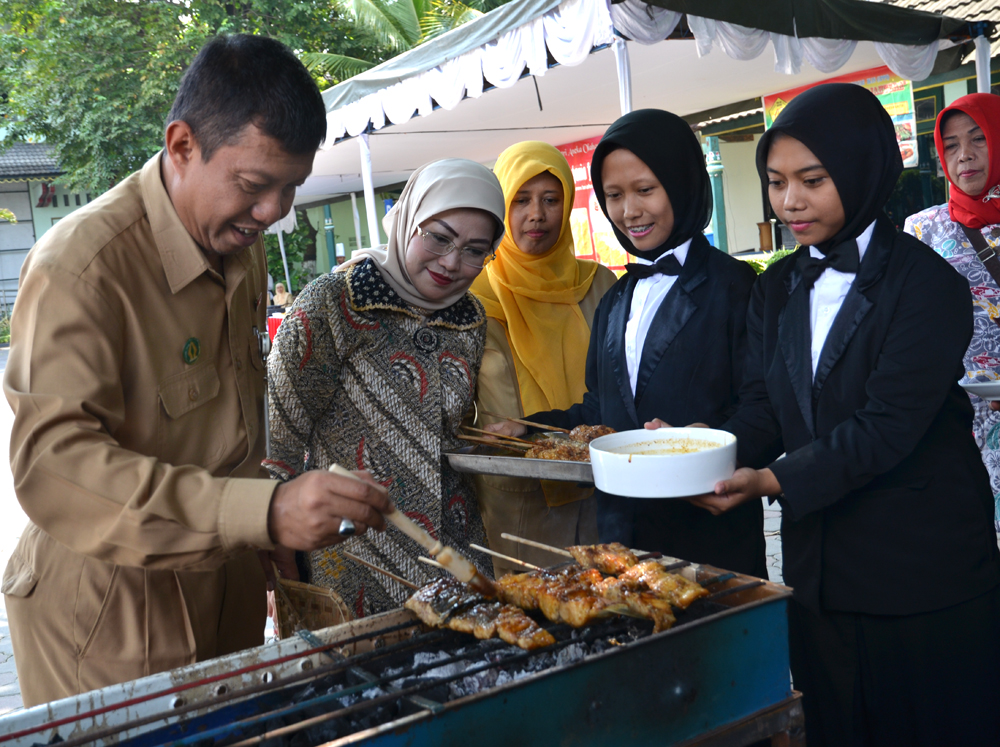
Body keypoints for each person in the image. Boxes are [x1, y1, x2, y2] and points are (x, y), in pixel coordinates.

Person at [1, 34, 392, 707]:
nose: (272, 213)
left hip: (226, 586)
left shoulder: (241, 249)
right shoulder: (83, 267)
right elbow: (56, 469)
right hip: (106, 620)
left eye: (290, 188)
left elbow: (232, 423)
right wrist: (261, 511)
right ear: (181, 145)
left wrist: (269, 518)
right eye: (252, 185)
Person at [685, 83, 1000, 746]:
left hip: (920, 570)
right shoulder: (775, 286)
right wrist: (701, 447)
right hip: (819, 572)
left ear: (861, 170)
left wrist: (772, 481)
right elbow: (767, 403)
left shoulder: (928, 284)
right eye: (775, 182)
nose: (790, 201)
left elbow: (888, 424)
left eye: (813, 180)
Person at [489, 110, 766, 577]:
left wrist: (705, 444)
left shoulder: (734, 284)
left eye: (645, 190)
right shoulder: (616, 297)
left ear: (682, 183)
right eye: (613, 196)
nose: (629, 211)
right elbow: (600, 411)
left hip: (708, 529)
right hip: (622, 538)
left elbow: (763, 402)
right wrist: (530, 428)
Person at [266, 159, 505, 616]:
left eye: (476, 250)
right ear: (408, 221)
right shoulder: (333, 302)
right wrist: (278, 556)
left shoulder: (470, 319)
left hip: (456, 553)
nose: (452, 263)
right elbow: (277, 436)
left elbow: (450, 428)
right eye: (438, 237)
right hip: (351, 555)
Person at [471, 141, 616, 575]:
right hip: (515, 495)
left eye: (551, 200)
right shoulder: (473, 296)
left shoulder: (601, 285)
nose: (537, 214)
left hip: (601, 483)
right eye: (520, 200)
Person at [904, 93, 1000, 532]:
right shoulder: (923, 228)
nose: (966, 155)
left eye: (979, 139)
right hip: (966, 414)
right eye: (952, 145)